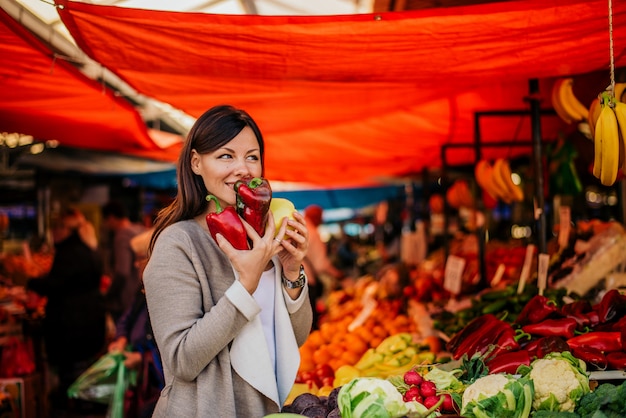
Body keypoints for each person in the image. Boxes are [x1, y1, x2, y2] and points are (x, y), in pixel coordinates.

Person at [142, 104, 313, 417]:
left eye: (252, 156)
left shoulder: (263, 235)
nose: (243, 169)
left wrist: (292, 271)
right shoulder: (178, 244)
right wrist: (245, 285)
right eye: (225, 156)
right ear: (196, 162)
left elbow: (293, 339)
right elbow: (182, 360)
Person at [27, 207, 107, 413]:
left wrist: (32, 282)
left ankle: (78, 408)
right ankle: (85, 406)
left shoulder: (69, 252)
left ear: (64, 229)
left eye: (55, 227)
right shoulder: (89, 248)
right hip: (91, 318)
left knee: (72, 372)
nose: (52, 233)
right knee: (84, 369)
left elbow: (56, 283)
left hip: (72, 322)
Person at [108, 228, 163, 418]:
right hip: (141, 381)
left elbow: (171, 344)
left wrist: (142, 359)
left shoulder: (163, 294)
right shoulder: (142, 290)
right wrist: (121, 338)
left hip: (157, 385)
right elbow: (127, 317)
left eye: (140, 258)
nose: (135, 264)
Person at [101, 200, 147, 322]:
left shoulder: (122, 236)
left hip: (126, 299)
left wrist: (108, 295)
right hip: (143, 295)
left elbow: (122, 271)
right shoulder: (141, 230)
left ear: (110, 218)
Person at [302, 204, 345, 328]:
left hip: (293, 280)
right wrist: (338, 274)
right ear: (317, 217)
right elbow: (321, 265)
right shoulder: (313, 233)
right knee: (310, 320)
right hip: (307, 281)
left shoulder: (297, 227)